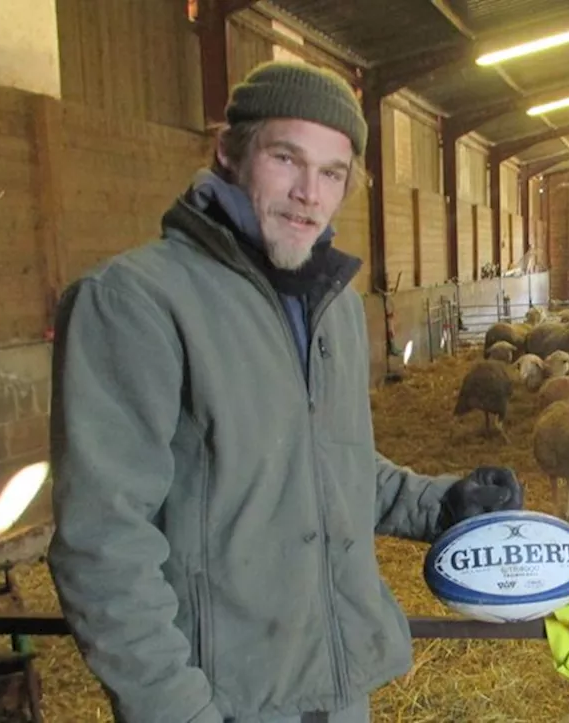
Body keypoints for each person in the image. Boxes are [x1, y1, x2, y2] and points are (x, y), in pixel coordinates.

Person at [45, 61, 524, 723]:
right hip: (224, 700)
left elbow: (330, 466)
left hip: (335, 687)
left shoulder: (334, 307)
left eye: (332, 173)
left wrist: (443, 502)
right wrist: (177, 710)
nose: (309, 193)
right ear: (229, 150)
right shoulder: (136, 302)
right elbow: (103, 541)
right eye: (286, 158)